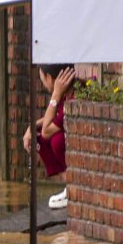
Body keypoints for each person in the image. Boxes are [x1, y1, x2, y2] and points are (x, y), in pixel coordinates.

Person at [23, 64, 77, 209]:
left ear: (49, 78)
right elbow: (55, 118)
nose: (43, 84)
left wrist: (55, 95)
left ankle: (72, 186)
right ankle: (68, 185)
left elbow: (47, 130)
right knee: (39, 140)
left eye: (43, 79)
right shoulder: (67, 93)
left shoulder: (69, 97)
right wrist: (33, 126)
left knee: (55, 140)